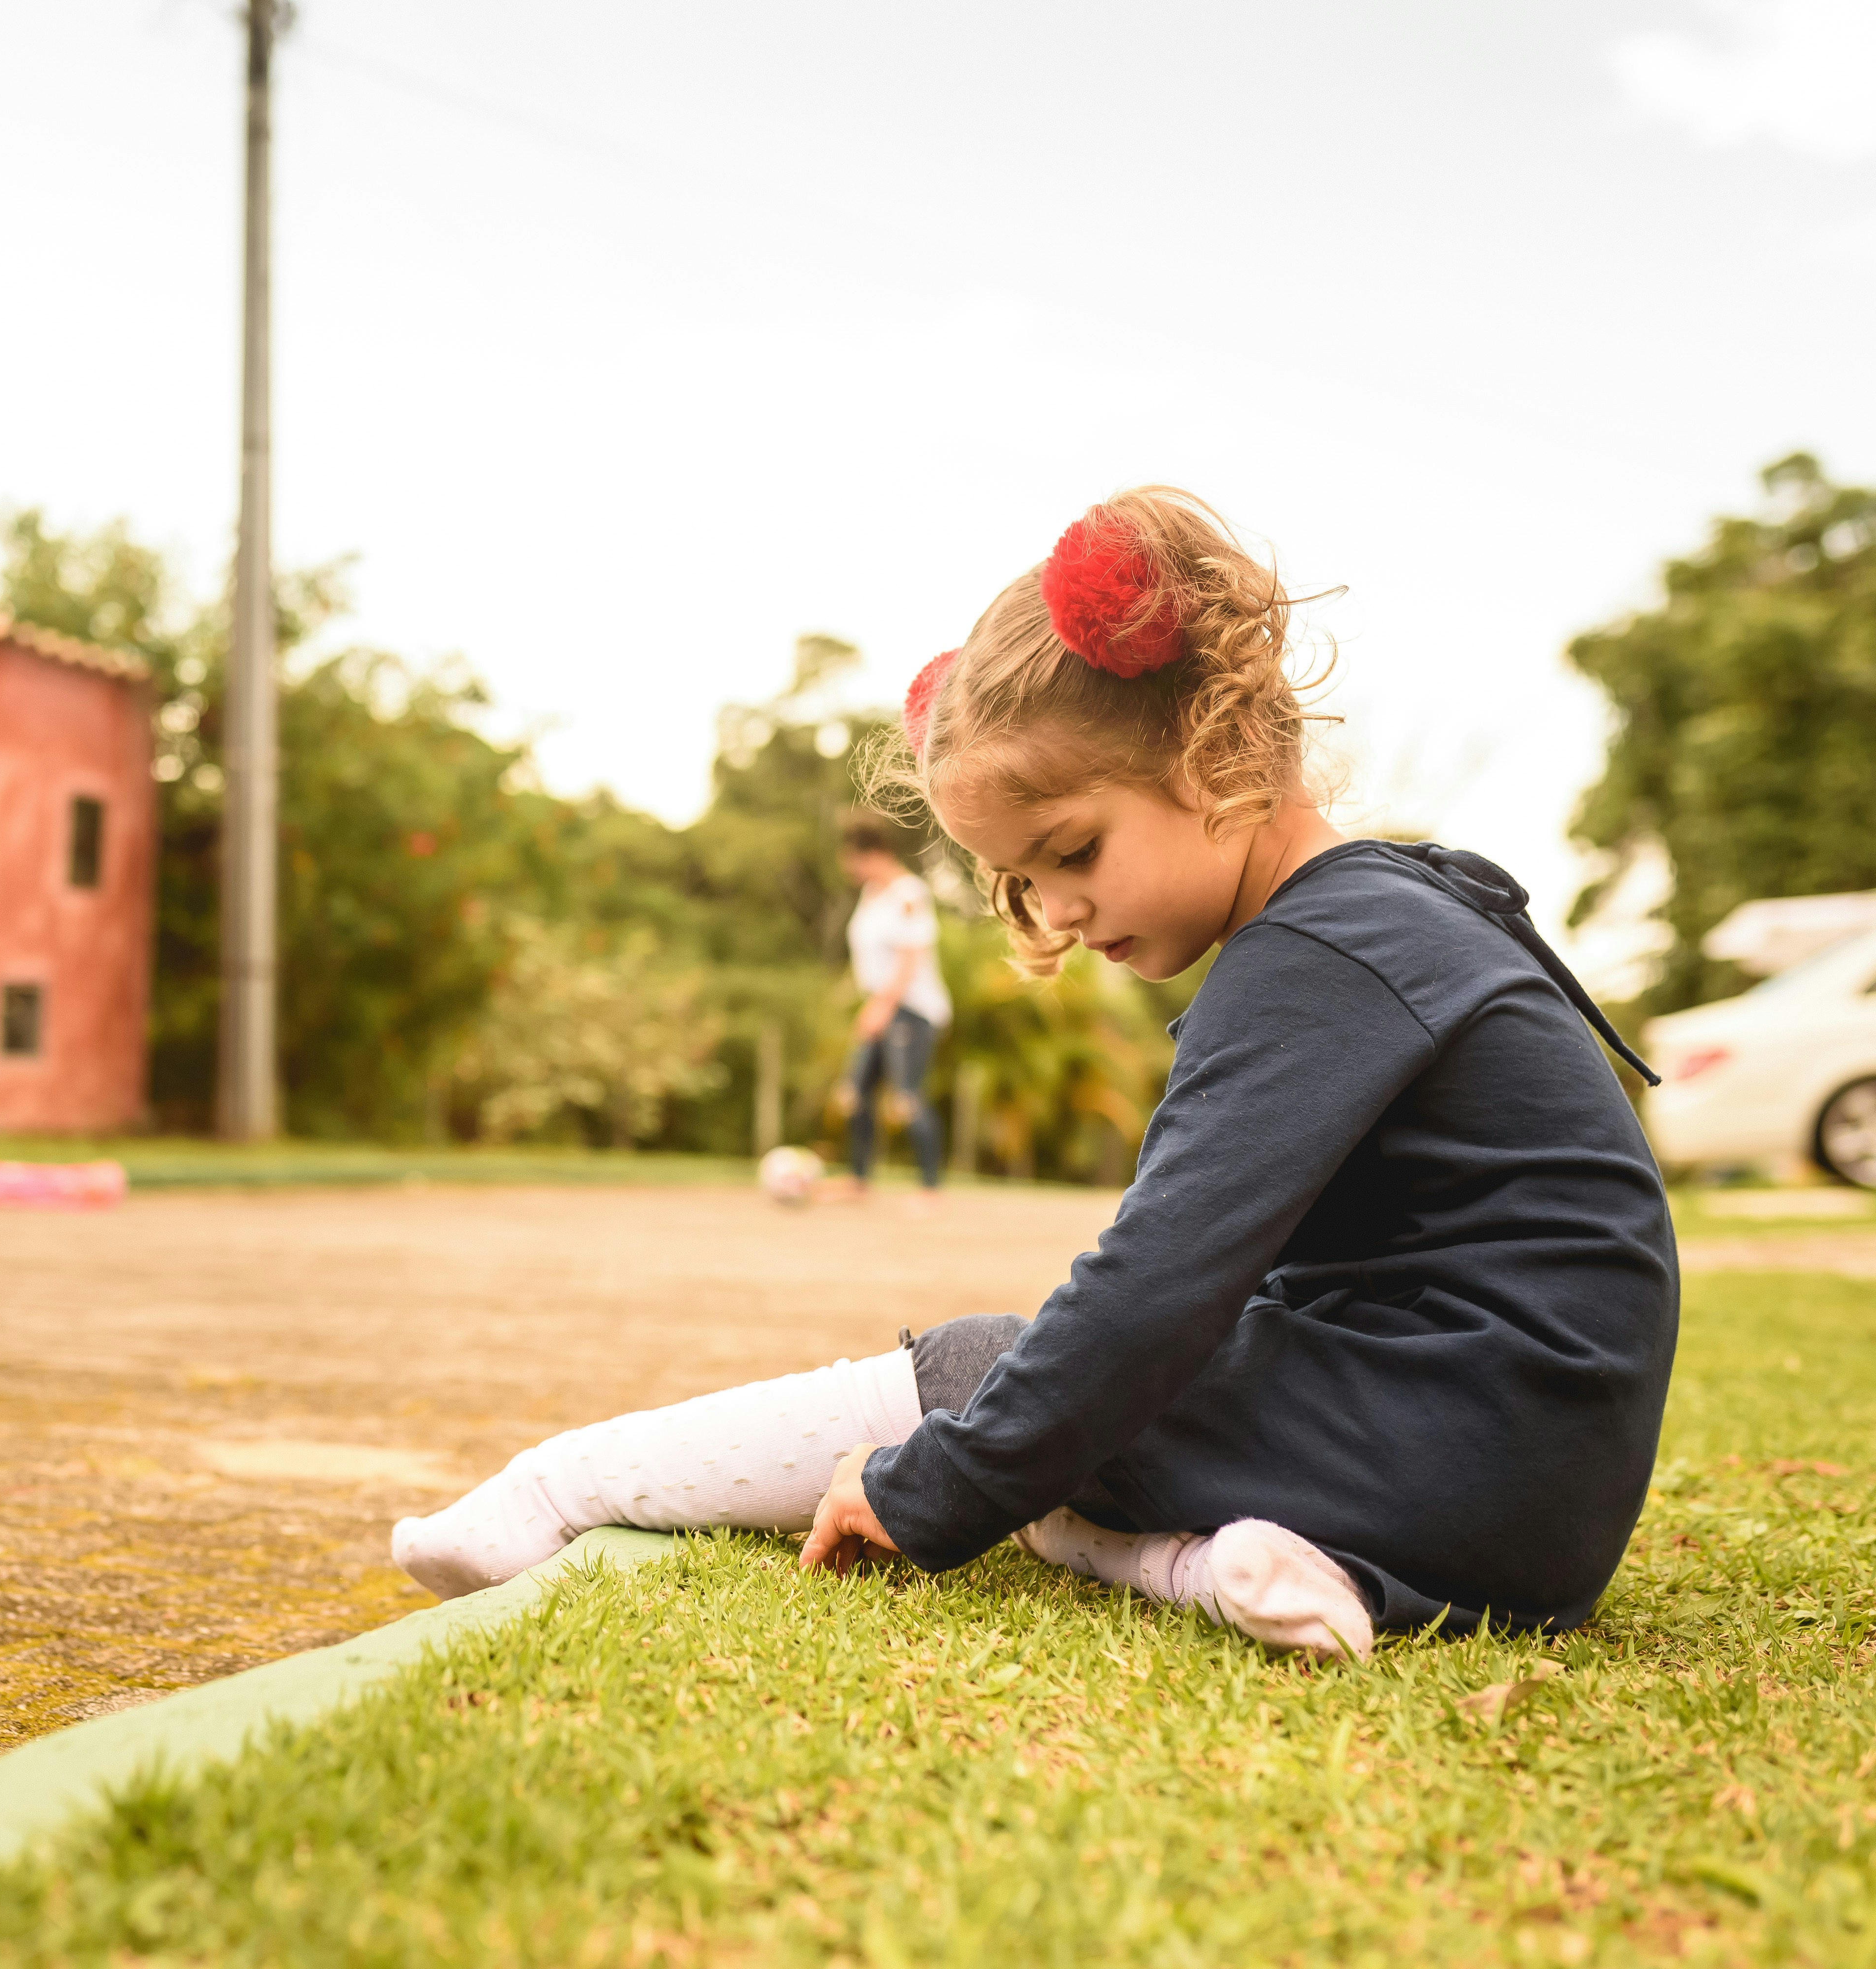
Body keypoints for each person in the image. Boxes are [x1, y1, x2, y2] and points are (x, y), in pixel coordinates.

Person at [392, 487, 1677, 1659]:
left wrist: (932, 1486)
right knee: (1075, 1427)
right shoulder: (1389, 914)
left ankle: (559, 1488)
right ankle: (1208, 1568)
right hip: (1528, 1518)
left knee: (993, 1371)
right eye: (1019, 882)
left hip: (1449, 1453)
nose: (1055, 909)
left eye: (1071, 850)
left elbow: (1154, 1293)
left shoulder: (1317, 953)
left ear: (1218, 748)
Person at [836, 814, 950, 1194]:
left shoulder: (909, 894)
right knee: (857, 1092)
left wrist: (881, 1008)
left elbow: (909, 958)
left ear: (874, 854)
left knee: (906, 1097)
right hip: (879, 1004)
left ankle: (930, 1189)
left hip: (911, 1011)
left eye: (854, 858)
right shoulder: (871, 896)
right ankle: (859, 1179)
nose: (849, 868)